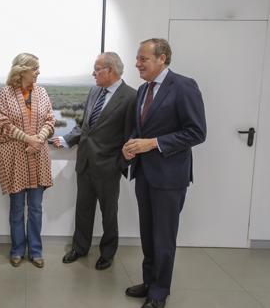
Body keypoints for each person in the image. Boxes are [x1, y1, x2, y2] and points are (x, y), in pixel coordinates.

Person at [122, 38, 207, 308]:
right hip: (144, 173)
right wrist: (130, 146)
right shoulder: (143, 90)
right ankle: (149, 282)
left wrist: (154, 143)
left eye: (143, 59)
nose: (137, 64)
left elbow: (196, 132)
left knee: (164, 237)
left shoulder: (183, 86)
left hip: (170, 177)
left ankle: (159, 292)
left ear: (162, 58)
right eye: (137, 59)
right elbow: (141, 128)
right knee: (148, 234)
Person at [52, 52, 136, 270]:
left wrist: (120, 164)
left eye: (97, 69)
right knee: (83, 209)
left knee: (109, 213)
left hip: (109, 167)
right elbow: (84, 127)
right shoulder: (94, 91)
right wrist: (67, 139)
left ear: (110, 70)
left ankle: (107, 253)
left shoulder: (130, 97)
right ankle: (80, 248)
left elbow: (131, 136)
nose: (93, 73)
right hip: (85, 162)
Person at [0, 53, 55, 268]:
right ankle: (17, 250)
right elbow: (3, 124)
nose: (38, 72)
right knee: (17, 208)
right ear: (22, 70)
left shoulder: (42, 92)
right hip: (14, 158)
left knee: (36, 208)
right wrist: (29, 138)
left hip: (38, 157)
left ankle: (36, 251)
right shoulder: (6, 93)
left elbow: (50, 119)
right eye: (35, 68)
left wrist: (38, 139)